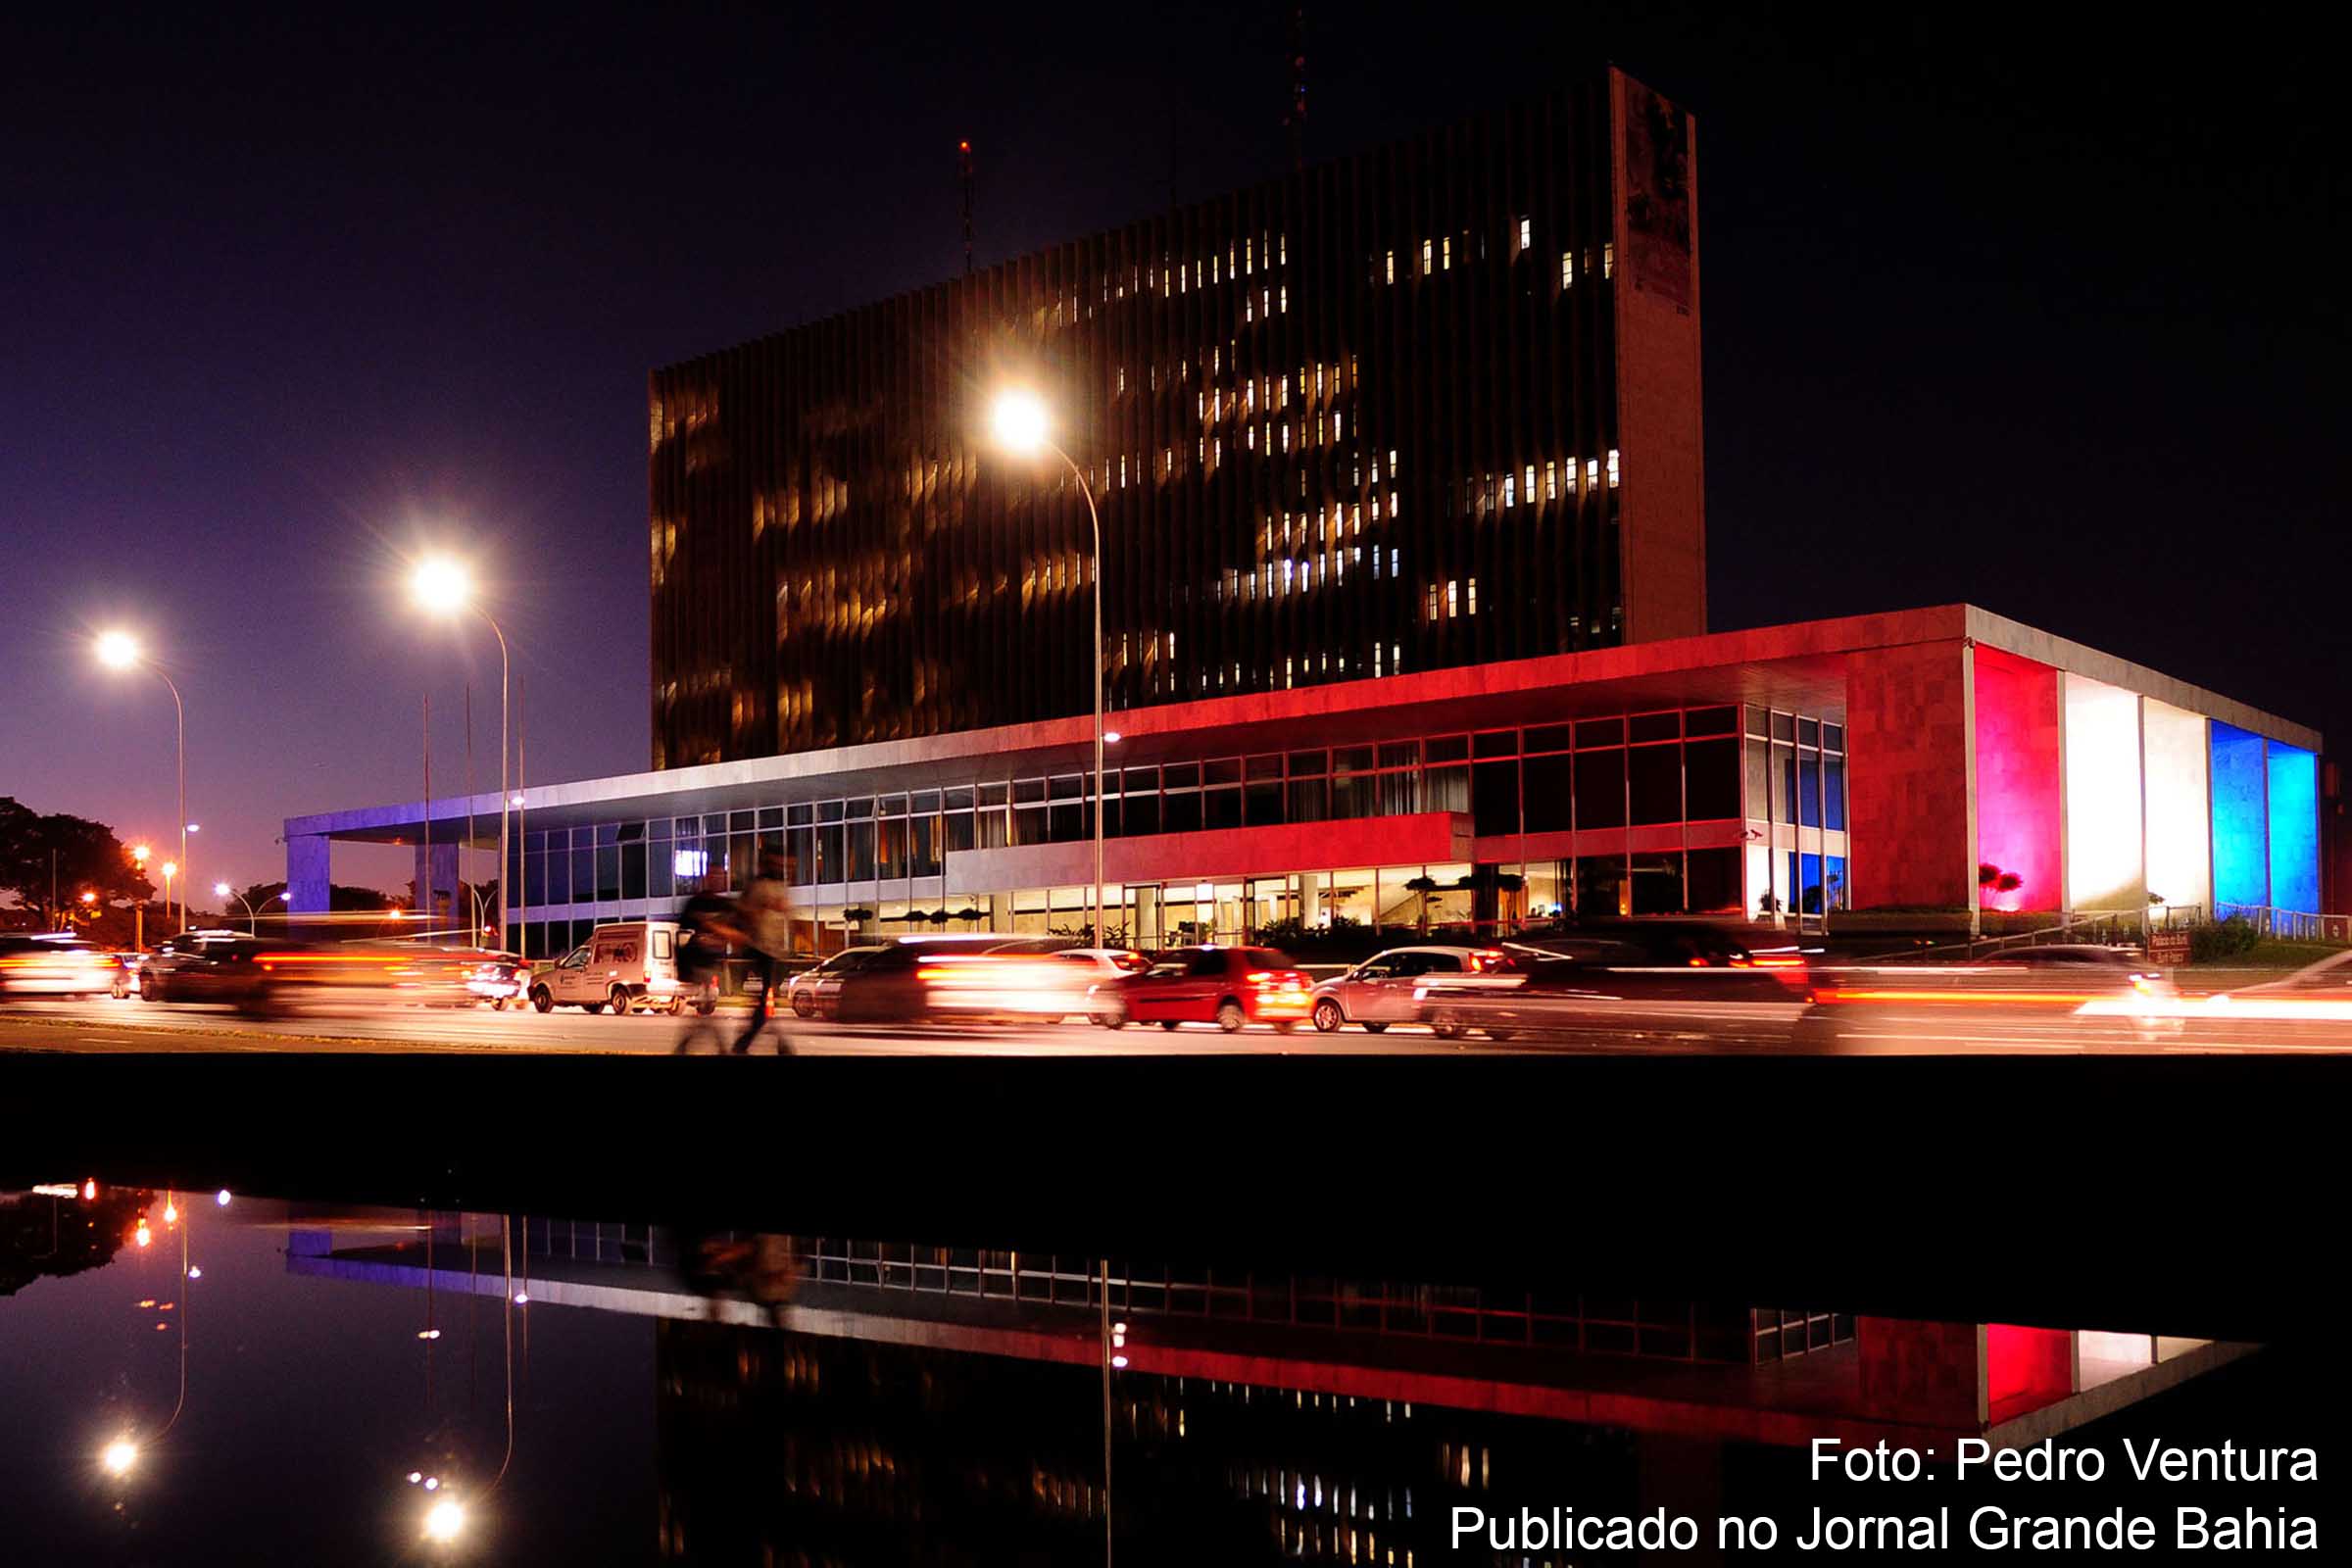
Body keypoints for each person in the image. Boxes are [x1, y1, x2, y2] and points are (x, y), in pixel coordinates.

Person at [733, 847, 796, 1054]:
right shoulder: (758, 886)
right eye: (778, 863)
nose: (782, 867)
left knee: (766, 1000)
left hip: (773, 950)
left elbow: (785, 913)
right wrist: (763, 909)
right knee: (764, 999)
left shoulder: (780, 885)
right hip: (760, 949)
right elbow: (744, 911)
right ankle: (748, 1042)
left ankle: (749, 1040)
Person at [670, 889, 738, 1054]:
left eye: (719, 876)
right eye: (713, 876)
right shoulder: (696, 902)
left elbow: (734, 926)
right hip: (699, 960)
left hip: (714, 960)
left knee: (707, 1006)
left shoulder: (723, 904)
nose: (716, 881)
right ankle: (719, 1045)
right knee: (707, 1005)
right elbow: (683, 926)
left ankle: (686, 1044)